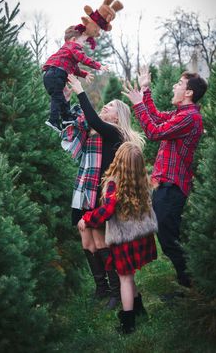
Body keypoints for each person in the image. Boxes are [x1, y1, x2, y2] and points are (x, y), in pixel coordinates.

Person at [63, 74, 144, 309]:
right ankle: (101, 288)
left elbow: (94, 121)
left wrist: (80, 89)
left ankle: (117, 291)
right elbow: (78, 123)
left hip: (102, 195)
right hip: (87, 190)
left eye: (108, 107)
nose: (103, 109)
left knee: (100, 241)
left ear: (117, 116)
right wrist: (67, 101)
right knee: (86, 241)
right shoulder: (98, 134)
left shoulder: (115, 133)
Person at [122, 67, 208, 290]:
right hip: (166, 184)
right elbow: (157, 118)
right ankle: (188, 282)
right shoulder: (181, 114)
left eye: (179, 83)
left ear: (189, 92)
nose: (174, 86)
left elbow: (153, 132)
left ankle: (190, 285)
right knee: (168, 235)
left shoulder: (190, 118)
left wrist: (138, 103)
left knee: (169, 238)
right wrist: (145, 89)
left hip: (173, 186)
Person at [78, 142, 157, 334]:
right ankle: (139, 309)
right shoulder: (140, 179)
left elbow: (107, 209)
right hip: (139, 236)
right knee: (129, 276)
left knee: (125, 280)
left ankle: (127, 323)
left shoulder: (115, 181)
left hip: (124, 238)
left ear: (119, 159)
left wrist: (87, 219)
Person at [42, 25, 108, 132]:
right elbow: (83, 58)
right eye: (82, 42)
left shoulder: (66, 51)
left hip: (51, 75)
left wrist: (85, 74)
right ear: (73, 40)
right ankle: (53, 120)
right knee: (58, 98)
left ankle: (66, 118)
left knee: (61, 98)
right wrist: (98, 66)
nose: (83, 46)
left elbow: (74, 68)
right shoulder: (73, 46)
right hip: (56, 74)